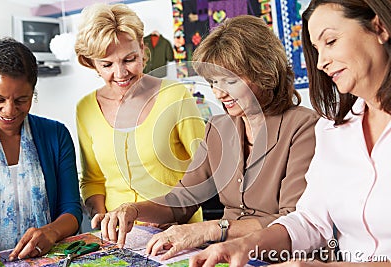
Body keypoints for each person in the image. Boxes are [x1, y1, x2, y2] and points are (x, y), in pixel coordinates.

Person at [90, 15, 319, 260]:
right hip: (225, 256)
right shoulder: (218, 128)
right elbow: (182, 199)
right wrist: (133, 210)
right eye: (213, 82)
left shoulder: (305, 128)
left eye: (230, 81)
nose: (220, 93)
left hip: (282, 259)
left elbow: (293, 221)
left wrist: (210, 229)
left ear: (264, 72)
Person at [189, 0, 391, 266]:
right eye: (316, 50)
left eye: (330, 41)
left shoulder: (304, 125)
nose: (321, 63)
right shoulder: (334, 129)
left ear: (380, 28)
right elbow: (310, 220)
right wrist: (243, 245)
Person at [74, 3, 205, 227]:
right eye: (107, 64)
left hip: (179, 231)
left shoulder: (175, 96)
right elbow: (92, 179)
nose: (121, 73)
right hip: (120, 238)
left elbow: (203, 169)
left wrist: (169, 214)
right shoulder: (85, 108)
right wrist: (100, 216)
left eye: (129, 59)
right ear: (92, 64)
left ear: (143, 51)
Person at [0, 38, 82, 263]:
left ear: (33, 93)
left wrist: (51, 232)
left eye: (22, 99)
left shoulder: (55, 135)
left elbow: (71, 208)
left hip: (47, 259)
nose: (9, 111)